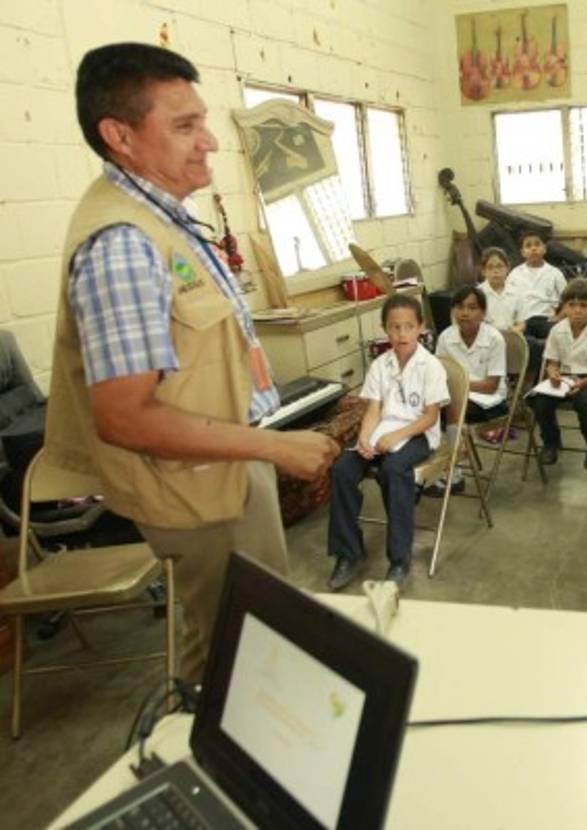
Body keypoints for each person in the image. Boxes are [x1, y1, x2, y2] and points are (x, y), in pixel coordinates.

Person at [46, 43, 339, 683]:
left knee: (230, 641)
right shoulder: (123, 243)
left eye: (202, 120)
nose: (208, 141)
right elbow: (124, 417)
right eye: (184, 126)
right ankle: (222, 772)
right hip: (193, 488)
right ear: (119, 135)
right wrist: (275, 450)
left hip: (221, 467)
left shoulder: (166, 221)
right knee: (243, 659)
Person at [327, 295, 449, 591]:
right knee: (342, 469)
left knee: (394, 471)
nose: (401, 333)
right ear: (385, 329)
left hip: (417, 433)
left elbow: (431, 417)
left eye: (409, 326)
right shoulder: (381, 364)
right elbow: (373, 409)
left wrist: (396, 436)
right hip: (382, 431)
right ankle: (348, 553)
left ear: (421, 327)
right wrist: (365, 439)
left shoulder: (430, 366)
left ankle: (399, 559)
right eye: (394, 327)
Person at [528, 277, 587, 469]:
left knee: (585, 401)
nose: (577, 310)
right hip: (564, 379)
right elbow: (552, 363)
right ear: (564, 307)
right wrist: (553, 374)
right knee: (539, 400)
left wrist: (582, 384)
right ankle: (551, 442)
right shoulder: (557, 330)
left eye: (583, 305)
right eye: (571, 304)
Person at [431, 285, 507, 496]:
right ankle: (441, 465)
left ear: (483, 313)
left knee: (449, 409)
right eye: (460, 307)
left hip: (490, 401)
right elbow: (438, 375)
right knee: (430, 409)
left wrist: (458, 385)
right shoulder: (446, 337)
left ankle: (453, 474)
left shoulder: (494, 339)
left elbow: (491, 384)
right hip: (456, 398)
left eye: (472, 307)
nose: (465, 313)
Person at [508, 229, 566, 340]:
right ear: (522, 252)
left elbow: (569, 301)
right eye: (528, 246)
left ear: (544, 249)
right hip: (522, 323)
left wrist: (559, 317)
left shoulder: (555, 273)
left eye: (537, 244)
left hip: (547, 321)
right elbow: (506, 301)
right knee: (525, 340)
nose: (533, 248)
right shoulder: (514, 275)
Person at [478, 246, 524, 334]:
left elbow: (521, 322)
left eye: (500, 266)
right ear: (483, 271)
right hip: (486, 338)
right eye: (490, 267)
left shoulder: (516, 292)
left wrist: (516, 329)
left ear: (507, 268)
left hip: (510, 336)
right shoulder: (477, 293)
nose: (496, 271)